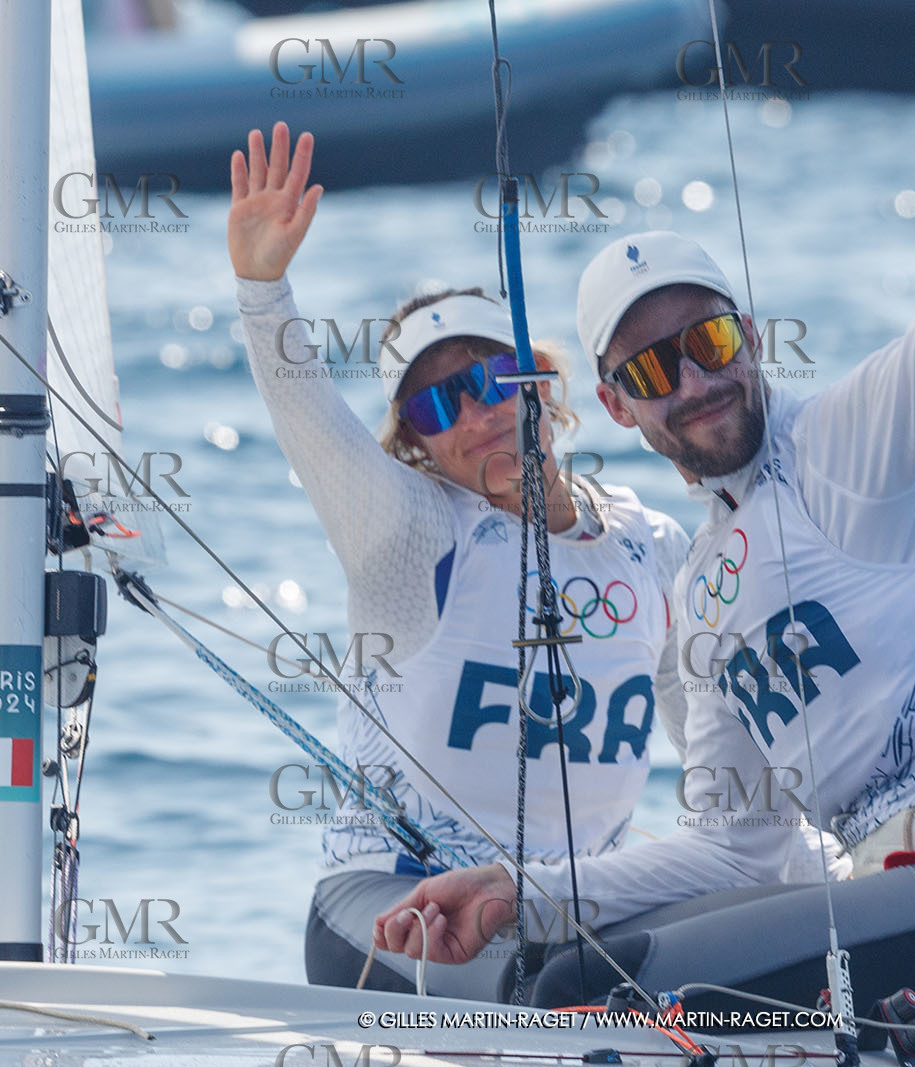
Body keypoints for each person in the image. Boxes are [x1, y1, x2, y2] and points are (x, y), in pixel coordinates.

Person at [374, 23, 915, 1025]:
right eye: (652, 369)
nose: (692, 381)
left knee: (583, 995)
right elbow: (733, 843)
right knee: (556, 967)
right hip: (892, 896)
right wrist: (519, 886)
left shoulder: (854, 441)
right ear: (615, 406)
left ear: (751, 335)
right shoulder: (700, 599)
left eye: (710, 339)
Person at [228, 122, 692, 999]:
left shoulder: (654, 547)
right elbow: (311, 423)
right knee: (585, 987)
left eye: (492, 378)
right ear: (415, 448)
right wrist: (263, 290)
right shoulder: (413, 537)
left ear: (545, 386)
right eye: (438, 404)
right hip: (393, 910)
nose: (474, 412)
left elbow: (716, 761)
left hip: (565, 908)